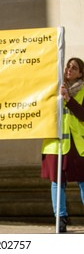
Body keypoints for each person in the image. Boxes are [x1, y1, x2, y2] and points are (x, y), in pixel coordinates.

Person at [41, 57, 84, 233]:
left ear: (81, 73)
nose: (69, 70)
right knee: (57, 182)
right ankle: (60, 218)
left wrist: (68, 99)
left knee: (83, 181)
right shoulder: (54, 87)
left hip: (78, 144)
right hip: (56, 144)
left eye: (74, 68)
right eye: (68, 67)